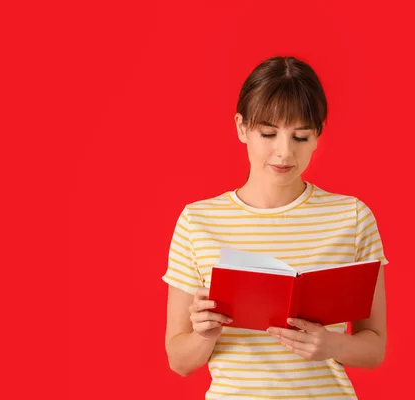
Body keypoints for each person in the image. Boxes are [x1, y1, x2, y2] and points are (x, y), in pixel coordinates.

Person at [162, 56, 388, 399]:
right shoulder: (198, 221)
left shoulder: (352, 218)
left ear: (318, 135)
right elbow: (179, 361)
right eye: (268, 133)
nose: (284, 153)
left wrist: (330, 345)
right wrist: (204, 335)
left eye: (300, 136)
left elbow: (374, 349)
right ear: (241, 127)